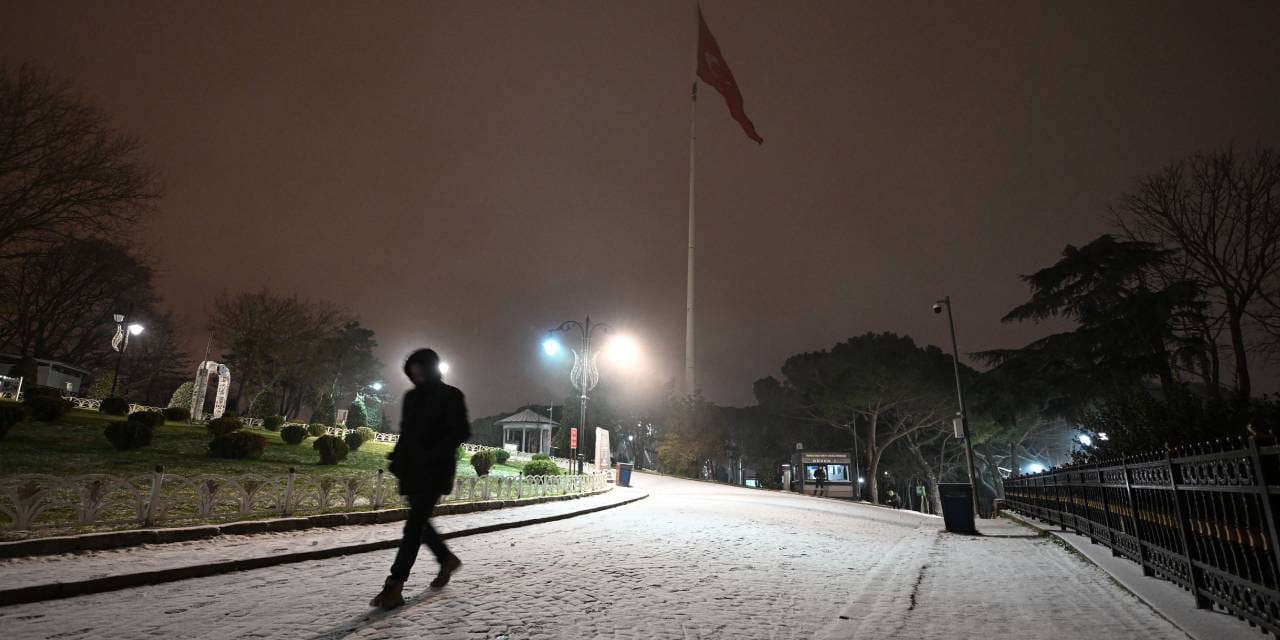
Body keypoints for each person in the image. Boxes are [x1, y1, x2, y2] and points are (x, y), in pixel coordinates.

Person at [370, 348, 471, 610]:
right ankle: (446, 559)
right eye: (412, 373)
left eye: (421, 371)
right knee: (419, 522)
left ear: (432, 368)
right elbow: (407, 431)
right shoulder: (411, 397)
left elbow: (460, 431)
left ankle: (394, 584)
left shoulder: (451, 395)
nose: (417, 377)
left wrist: (433, 452)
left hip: (435, 470)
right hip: (411, 469)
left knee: (414, 525)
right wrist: (398, 458)